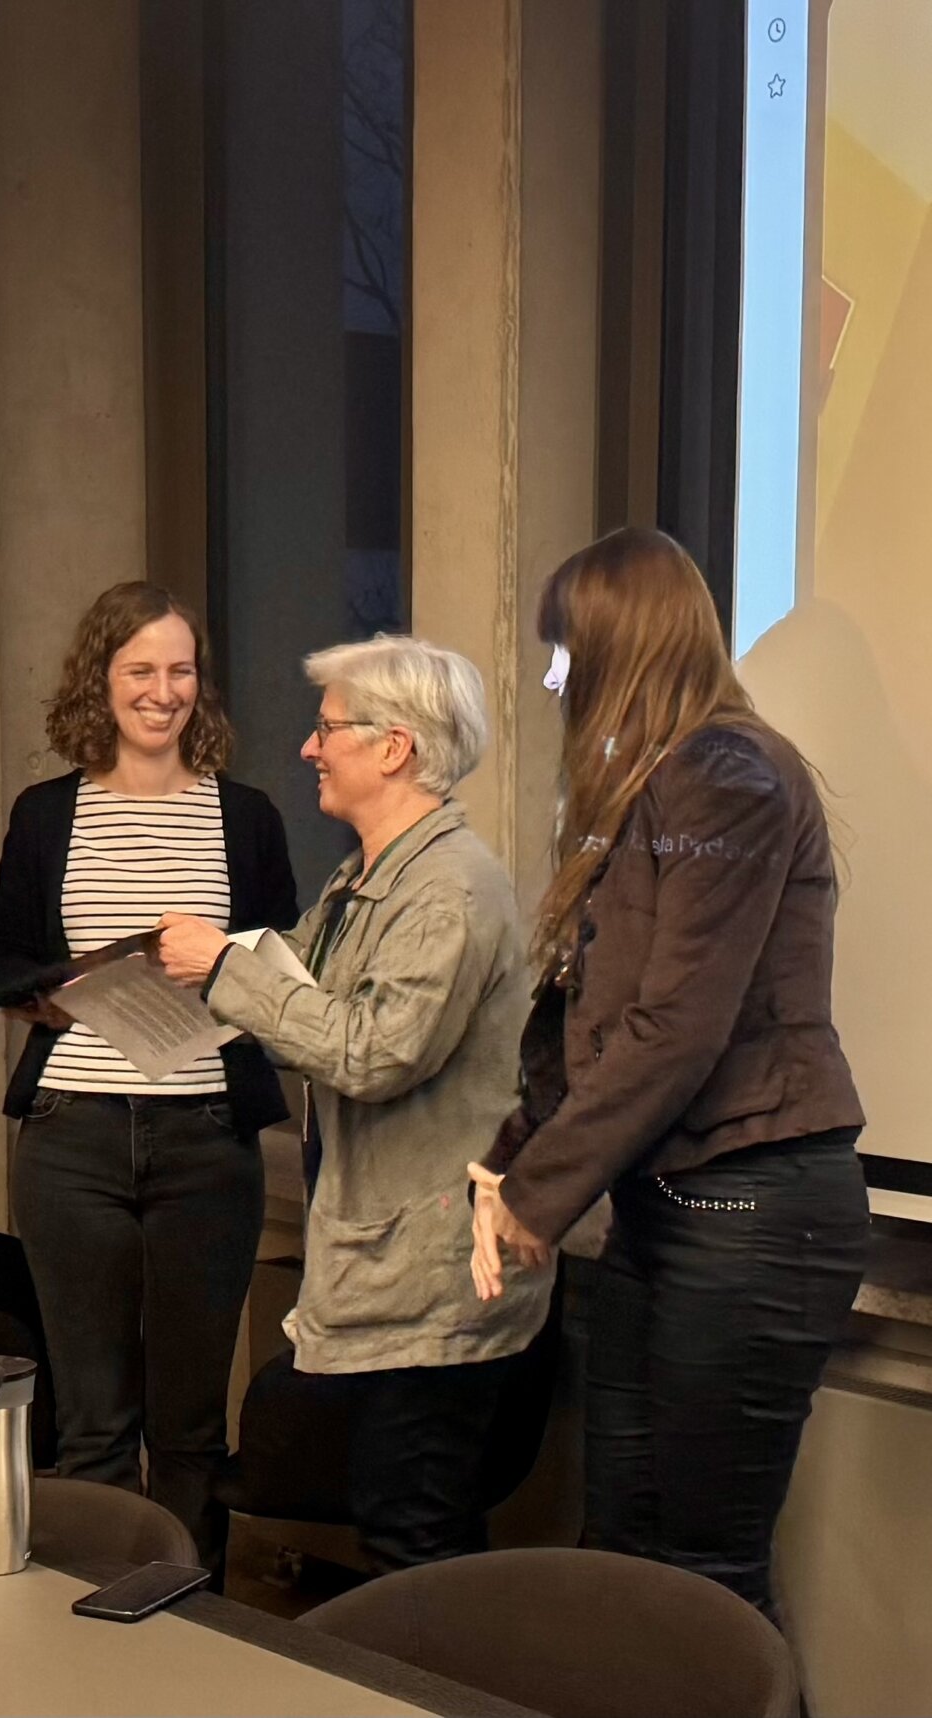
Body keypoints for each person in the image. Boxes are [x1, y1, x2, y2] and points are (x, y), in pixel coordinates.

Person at [466, 526, 869, 1619]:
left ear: (621, 647)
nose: (552, 675)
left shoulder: (727, 775)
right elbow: (586, 1017)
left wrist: (541, 1196)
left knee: (705, 1583)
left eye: (564, 648)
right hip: (668, 1213)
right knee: (624, 1561)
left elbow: (675, 1028)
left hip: (752, 1216)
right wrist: (509, 1167)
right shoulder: (651, 784)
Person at [156, 635, 548, 1570]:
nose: (307, 748)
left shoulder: (448, 893)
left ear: (395, 747)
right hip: (388, 1274)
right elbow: (309, 990)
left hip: (436, 1286)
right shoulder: (366, 876)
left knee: (417, 1545)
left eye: (327, 729)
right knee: (400, 1526)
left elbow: (373, 1052)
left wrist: (224, 970)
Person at [0, 582, 296, 1567]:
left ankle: (193, 1636)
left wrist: (223, 973)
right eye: (140, 671)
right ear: (99, 682)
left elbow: (279, 966)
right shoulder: (45, 814)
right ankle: (91, 1640)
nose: (163, 691)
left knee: (193, 1425)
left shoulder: (245, 817)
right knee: (93, 1420)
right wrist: (48, 992)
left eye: (181, 670)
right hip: (70, 1137)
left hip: (206, 1137)